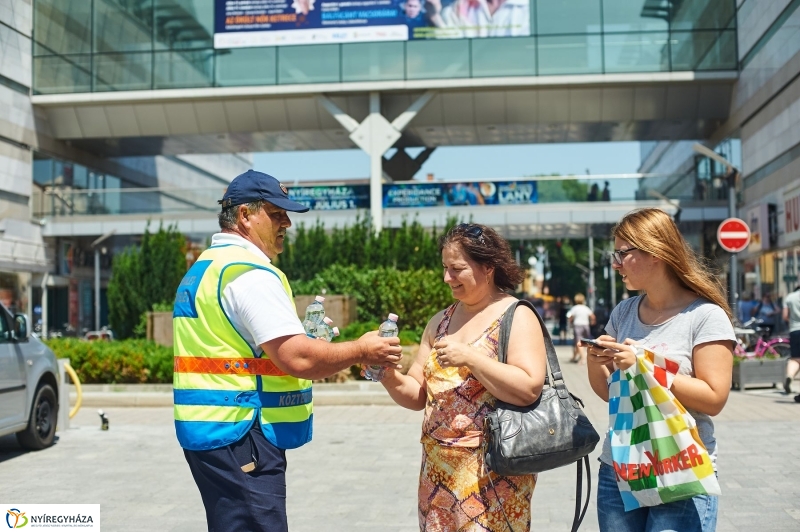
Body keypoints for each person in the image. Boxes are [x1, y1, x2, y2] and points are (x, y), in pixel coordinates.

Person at [172, 170, 402, 532]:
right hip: (242, 431)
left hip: (211, 430)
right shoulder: (250, 274)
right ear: (246, 215)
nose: (287, 223)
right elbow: (298, 358)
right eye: (276, 213)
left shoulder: (206, 268)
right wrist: (361, 349)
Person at [375, 223, 546, 531]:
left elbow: (528, 388)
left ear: (489, 267)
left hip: (492, 472)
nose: (447, 278)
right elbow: (417, 393)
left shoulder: (517, 315)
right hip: (438, 472)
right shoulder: (440, 321)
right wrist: (386, 373)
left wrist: (471, 357)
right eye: (444, 268)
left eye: (456, 269)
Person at [584, 208, 735, 532]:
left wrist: (645, 365)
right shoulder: (624, 311)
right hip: (620, 465)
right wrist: (596, 360)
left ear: (655, 253)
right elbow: (612, 394)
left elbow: (714, 398)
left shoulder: (705, 316)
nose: (615, 263)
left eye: (622, 253)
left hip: (678, 466)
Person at [783, 285, 800, 400]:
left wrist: (792, 322)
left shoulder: (790, 297)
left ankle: (790, 375)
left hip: (795, 330)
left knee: (795, 359)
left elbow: (785, 316)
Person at [567, 292, 594, 364]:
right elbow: (592, 316)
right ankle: (574, 356)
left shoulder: (574, 308)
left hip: (577, 325)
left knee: (578, 342)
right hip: (586, 325)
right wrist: (592, 322)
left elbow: (570, 316)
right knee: (586, 342)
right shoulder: (586, 308)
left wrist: (570, 322)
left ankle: (583, 358)